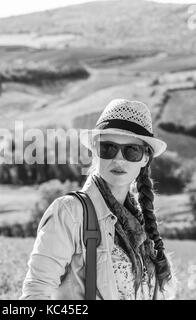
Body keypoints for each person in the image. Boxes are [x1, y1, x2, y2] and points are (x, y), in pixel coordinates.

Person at [19, 98, 177, 300]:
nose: (118, 159)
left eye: (132, 150)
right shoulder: (70, 212)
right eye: (108, 148)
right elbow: (35, 294)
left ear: (145, 158)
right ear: (95, 150)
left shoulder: (141, 224)